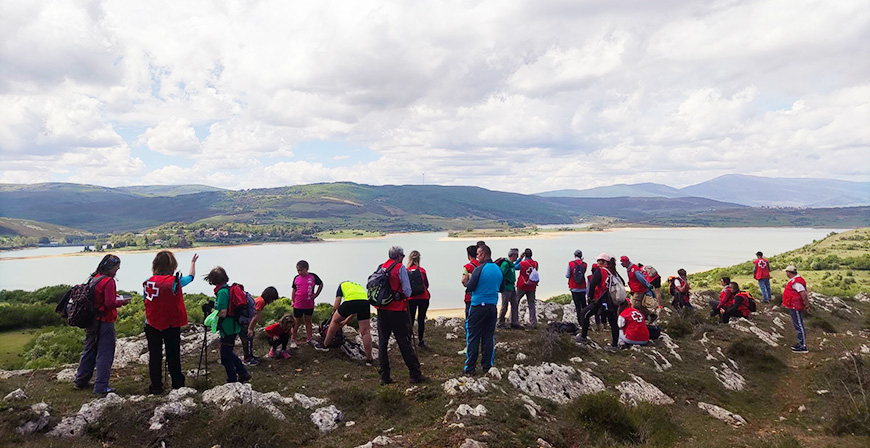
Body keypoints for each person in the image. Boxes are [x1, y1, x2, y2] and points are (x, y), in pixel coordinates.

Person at [74, 254, 132, 394]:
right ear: (111, 267)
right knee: (105, 353)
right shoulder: (109, 281)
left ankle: (80, 380)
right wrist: (123, 301)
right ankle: (101, 387)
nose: (118, 269)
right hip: (105, 322)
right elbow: (109, 303)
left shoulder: (94, 278)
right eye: (117, 267)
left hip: (92, 321)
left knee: (89, 350)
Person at [143, 251, 198, 395]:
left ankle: (156, 386)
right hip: (171, 324)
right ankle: (177, 384)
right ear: (172, 265)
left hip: (151, 323)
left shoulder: (148, 282)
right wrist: (192, 263)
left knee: (154, 357)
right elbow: (191, 277)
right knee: (173, 355)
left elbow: (146, 301)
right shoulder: (175, 281)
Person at [375, 246, 425, 385]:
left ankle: (384, 376)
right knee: (404, 342)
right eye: (402, 256)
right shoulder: (400, 268)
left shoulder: (381, 267)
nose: (403, 258)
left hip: (381, 309)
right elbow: (408, 291)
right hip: (397, 310)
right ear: (398, 256)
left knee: (383, 343)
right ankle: (414, 374)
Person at [205, 266, 251, 383]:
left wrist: (210, 309)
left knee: (225, 357)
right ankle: (242, 372)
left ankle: (233, 379)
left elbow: (223, 313)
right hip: (232, 326)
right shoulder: (227, 289)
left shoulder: (222, 292)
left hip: (228, 328)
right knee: (228, 352)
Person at [464, 244, 503, 375]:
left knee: (473, 336)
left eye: (479, 254)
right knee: (488, 336)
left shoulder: (479, 269)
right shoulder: (498, 269)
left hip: (477, 306)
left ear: (485, 254)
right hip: (492, 306)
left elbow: (470, 287)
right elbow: (501, 288)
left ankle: (470, 367)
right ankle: (487, 366)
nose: (477, 256)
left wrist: (468, 280)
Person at [576, 253, 620, 350]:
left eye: (599, 260)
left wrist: (590, 298)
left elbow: (592, 285)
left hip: (601, 300)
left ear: (604, 262)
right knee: (613, 323)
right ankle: (615, 345)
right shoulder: (612, 272)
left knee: (584, 313)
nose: (597, 262)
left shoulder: (600, 271)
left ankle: (583, 337)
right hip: (612, 301)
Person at [324, 281, 374, 365]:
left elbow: (336, 305)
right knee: (365, 332)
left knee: (335, 321)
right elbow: (355, 310)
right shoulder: (358, 285)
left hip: (350, 302)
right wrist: (346, 321)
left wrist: (334, 314)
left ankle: (325, 345)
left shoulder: (341, 285)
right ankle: (369, 359)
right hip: (365, 302)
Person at [243, 286, 280, 365]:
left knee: (249, 340)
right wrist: (250, 328)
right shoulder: (261, 302)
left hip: (247, 322)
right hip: (246, 323)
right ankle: (247, 359)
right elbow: (255, 316)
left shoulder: (259, 299)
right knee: (248, 340)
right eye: (272, 299)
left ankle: (250, 355)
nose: (272, 301)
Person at [291, 260, 323, 347]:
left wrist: (316, 294)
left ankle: (309, 338)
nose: (299, 272)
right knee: (296, 322)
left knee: (308, 321)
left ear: (306, 269)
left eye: (301, 270)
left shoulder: (313, 276)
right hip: (298, 304)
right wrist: (292, 300)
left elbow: (320, 284)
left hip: (309, 304)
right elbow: (294, 290)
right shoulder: (296, 278)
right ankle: (293, 339)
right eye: (298, 270)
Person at [619, 256, 656, 322]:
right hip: (636, 290)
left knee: (635, 306)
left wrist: (648, 285)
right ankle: (650, 315)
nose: (621, 264)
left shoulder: (634, 270)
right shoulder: (631, 269)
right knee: (639, 306)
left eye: (622, 262)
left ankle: (636, 320)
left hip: (639, 290)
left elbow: (641, 279)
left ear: (625, 262)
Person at [782, 265, 810, 353]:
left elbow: (803, 294)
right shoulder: (795, 280)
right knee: (797, 324)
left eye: (787, 272)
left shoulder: (796, 282)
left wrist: (807, 305)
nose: (786, 273)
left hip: (795, 306)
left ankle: (803, 346)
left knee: (799, 325)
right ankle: (800, 343)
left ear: (789, 273)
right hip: (793, 305)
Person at [406, 250, 431, 348]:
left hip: (411, 298)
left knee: (410, 319)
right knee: (421, 319)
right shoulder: (422, 271)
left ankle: (409, 340)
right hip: (423, 297)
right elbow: (427, 284)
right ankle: (421, 341)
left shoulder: (406, 271)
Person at [515, 248, 540, 328]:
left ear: (525, 254)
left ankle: (513, 319)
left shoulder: (523, 263)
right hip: (532, 286)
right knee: (531, 303)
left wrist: (520, 258)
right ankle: (533, 322)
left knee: (515, 302)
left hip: (522, 285)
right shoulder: (535, 263)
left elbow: (515, 267)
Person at [496, 248, 520, 329]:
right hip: (506, 287)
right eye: (516, 255)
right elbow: (501, 274)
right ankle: (500, 322)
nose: (517, 257)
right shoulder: (506, 264)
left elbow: (516, 265)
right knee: (504, 305)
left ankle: (514, 322)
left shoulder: (511, 264)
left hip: (512, 287)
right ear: (512, 255)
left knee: (515, 304)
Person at [566, 250, 588, 324]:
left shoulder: (570, 264)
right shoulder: (585, 264)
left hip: (574, 287)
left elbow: (567, 275)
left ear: (574, 255)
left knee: (577, 306)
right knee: (584, 305)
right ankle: (586, 321)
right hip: (582, 288)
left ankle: (580, 322)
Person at [461, 245, 481, 318]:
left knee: (469, 316)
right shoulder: (482, 265)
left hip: (470, 296)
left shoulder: (467, 267)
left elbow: (464, 281)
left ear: (468, 255)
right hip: (480, 294)